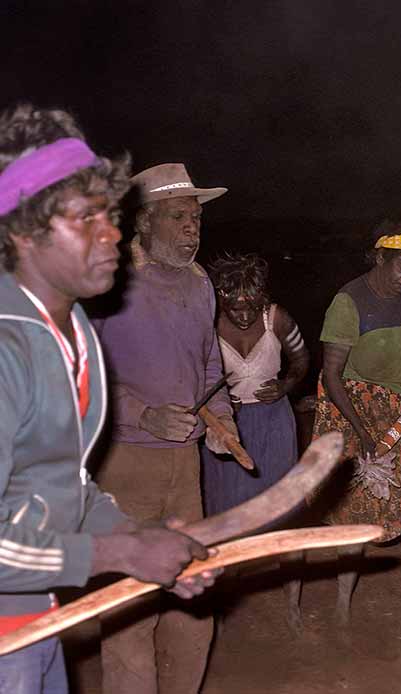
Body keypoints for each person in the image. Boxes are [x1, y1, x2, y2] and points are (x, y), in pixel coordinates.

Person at [0, 103, 216, 694]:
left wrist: (135, 536)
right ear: (24, 232)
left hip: (35, 622)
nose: (113, 234)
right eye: (86, 218)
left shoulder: (71, 337)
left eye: (111, 216)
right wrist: (110, 553)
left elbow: (60, 484)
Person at [91, 162, 238, 693]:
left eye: (196, 218)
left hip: (185, 463)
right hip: (125, 461)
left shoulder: (201, 285)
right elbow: (81, 373)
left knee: (190, 593)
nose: (191, 229)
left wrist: (220, 422)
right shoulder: (109, 281)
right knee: (131, 603)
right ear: (145, 222)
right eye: (178, 217)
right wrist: (141, 414)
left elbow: (208, 367)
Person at [311, 220, 401, 632]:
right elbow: (332, 375)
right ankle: (342, 605)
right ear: (379, 258)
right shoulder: (348, 301)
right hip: (356, 409)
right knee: (357, 514)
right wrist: (364, 434)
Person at [203, 252, 309, 632]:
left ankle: (292, 604)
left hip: (274, 423)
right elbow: (198, 376)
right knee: (225, 515)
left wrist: (284, 386)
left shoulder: (276, 318)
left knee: (285, 512)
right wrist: (217, 401)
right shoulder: (208, 324)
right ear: (222, 299)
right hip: (228, 428)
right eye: (235, 307)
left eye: (252, 305)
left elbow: (301, 363)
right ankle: (223, 607)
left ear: (262, 298)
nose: (245, 315)